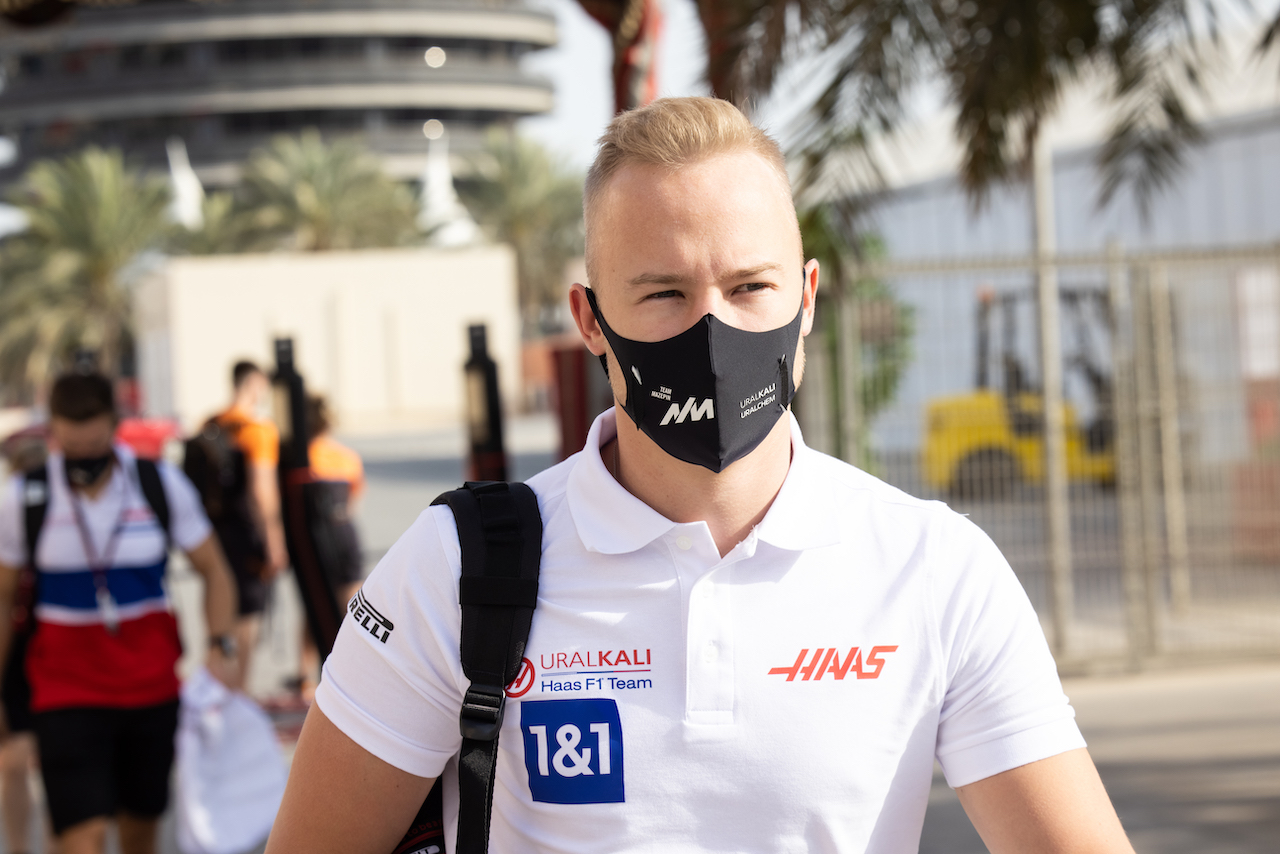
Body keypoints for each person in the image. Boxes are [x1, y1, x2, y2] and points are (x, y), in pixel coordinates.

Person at [267, 98, 1134, 853]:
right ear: (591, 318)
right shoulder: (455, 568)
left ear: (807, 297)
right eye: (665, 294)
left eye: (751, 286)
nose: (712, 330)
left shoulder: (934, 567)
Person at [0, 371, 239, 854]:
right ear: (55, 435)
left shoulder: (159, 485)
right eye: (73, 448)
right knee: (81, 837)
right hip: (65, 696)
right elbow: (3, 601)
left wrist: (221, 646)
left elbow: (215, 570)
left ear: (114, 426)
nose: (85, 458)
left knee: (139, 834)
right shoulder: (24, 498)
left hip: (151, 694)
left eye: (94, 445)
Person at [204, 361, 288, 687]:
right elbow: (261, 490)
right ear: (253, 384)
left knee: (219, 606)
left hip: (214, 530)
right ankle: (239, 688)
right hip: (246, 532)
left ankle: (219, 684)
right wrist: (274, 540)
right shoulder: (258, 429)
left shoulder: (212, 422)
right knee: (247, 614)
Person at [296, 394, 365, 701]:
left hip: (317, 535)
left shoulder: (302, 458)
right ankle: (354, 672)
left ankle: (304, 674)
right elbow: (352, 499)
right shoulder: (346, 456)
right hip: (343, 533)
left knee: (312, 605)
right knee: (353, 605)